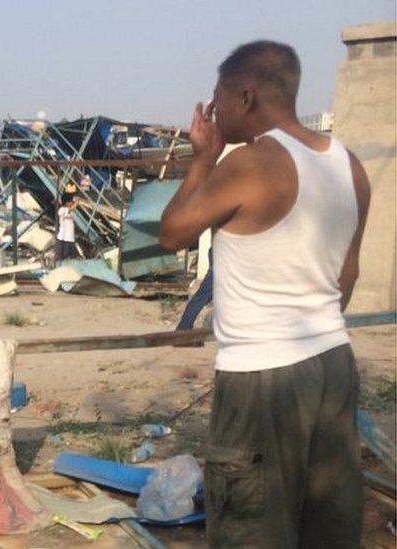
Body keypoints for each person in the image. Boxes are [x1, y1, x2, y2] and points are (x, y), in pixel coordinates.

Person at [159, 41, 370, 548]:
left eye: (219, 96)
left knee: (251, 527)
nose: (214, 108)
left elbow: (171, 234)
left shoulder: (251, 164)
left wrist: (203, 159)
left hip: (260, 377)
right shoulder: (350, 166)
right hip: (332, 362)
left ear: (246, 97)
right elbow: (348, 277)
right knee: (327, 526)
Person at [56, 193, 78, 261]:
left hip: (70, 238)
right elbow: (71, 209)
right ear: (66, 202)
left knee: (71, 257)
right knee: (64, 258)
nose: (72, 203)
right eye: (71, 201)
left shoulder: (71, 211)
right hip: (63, 238)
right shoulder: (62, 210)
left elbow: (72, 209)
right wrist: (77, 202)